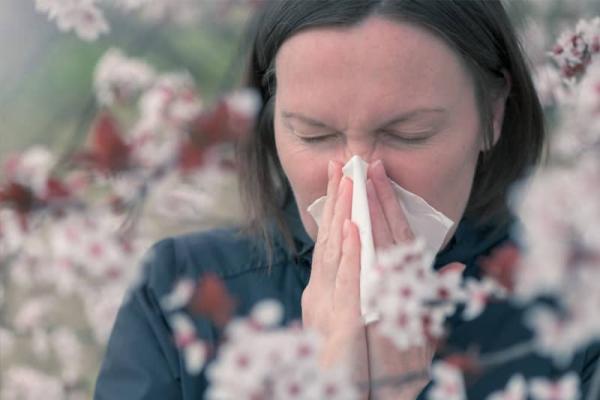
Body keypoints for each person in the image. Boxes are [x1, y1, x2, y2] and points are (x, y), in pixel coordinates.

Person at [94, 1, 599, 399]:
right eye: (314, 136)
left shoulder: (581, 301)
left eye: (410, 133)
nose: (357, 180)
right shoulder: (178, 291)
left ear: (492, 113)